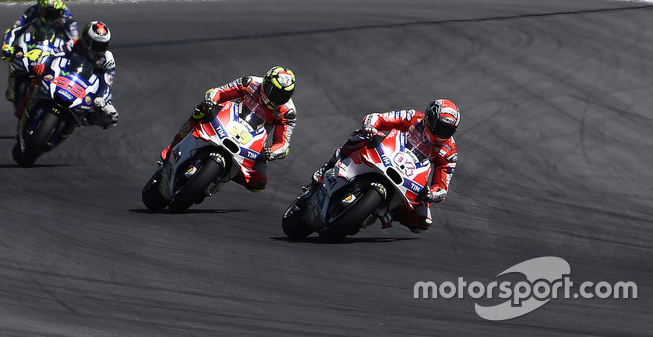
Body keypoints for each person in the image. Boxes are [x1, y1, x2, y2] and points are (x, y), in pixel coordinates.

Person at [305, 99, 460, 233]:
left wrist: (433, 194)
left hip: (411, 172)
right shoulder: (413, 117)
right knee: (359, 136)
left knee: (422, 221)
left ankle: (387, 211)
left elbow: (442, 184)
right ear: (430, 118)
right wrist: (370, 126)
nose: (443, 133)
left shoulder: (450, 150)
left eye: (448, 130)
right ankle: (328, 167)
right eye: (440, 127)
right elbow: (379, 118)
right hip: (389, 151)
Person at [160, 66, 297, 192]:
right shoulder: (250, 83)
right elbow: (220, 92)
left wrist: (270, 153)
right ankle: (172, 148)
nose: (277, 98)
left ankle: (222, 174)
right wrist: (211, 101)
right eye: (274, 92)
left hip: (252, 139)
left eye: (283, 96)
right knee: (200, 111)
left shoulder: (287, 112)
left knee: (259, 183)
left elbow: (283, 143)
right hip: (229, 118)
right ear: (266, 83)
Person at [1, 0, 79, 113]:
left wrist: (71, 53)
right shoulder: (33, 10)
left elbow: (74, 40)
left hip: (56, 46)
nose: (49, 16)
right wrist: (7, 45)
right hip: (36, 41)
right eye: (46, 12)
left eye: (53, 13)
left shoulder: (66, 16)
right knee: (13, 55)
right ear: (40, 7)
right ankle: (12, 88)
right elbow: (17, 28)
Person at [64, 20, 119, 129]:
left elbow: (106, 83)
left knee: (112, 116)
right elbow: (56, 59)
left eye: (103, 46)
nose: (99, 50)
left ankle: (84, 119)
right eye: (96, 45)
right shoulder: (72, 45)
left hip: (86, 89)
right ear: (85, 40)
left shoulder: (107, 59)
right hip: (64, 78)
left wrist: (101, 99)